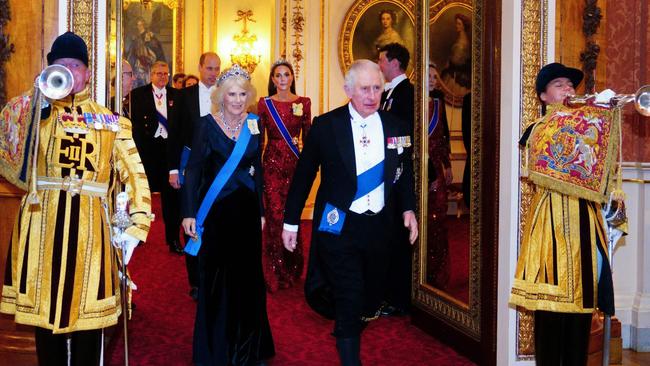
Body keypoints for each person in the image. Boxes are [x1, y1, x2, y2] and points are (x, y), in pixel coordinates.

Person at [0, 31, 152, 365]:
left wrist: (137, 225)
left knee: (89, 321)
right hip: (42, 226)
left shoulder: (111, 122)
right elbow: (7, 150)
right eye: (60, 65)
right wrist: (35, 99)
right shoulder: (34, 114)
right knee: (44, 317)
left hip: (90, 232)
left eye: (75, 65)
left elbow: (135, 174)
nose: (69, 71)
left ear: (87, 72)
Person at [282, 59, 418, 365]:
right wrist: (291, 222)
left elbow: (405, 172)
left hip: (380, 227)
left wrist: (409, 208)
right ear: (348, 90)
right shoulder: (326, 126)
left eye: (376, 88)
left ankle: (351, 324)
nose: (372, 95)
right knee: (349, 295)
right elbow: (304, 176)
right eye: (364, 89)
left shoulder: (397, 126)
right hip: (339, 225)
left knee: (370, 297)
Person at [509, 62, 616, 365]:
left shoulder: (590, 126)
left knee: (582, 311)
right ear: (543, 96)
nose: (568, 89)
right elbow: (560, 162)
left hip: (585, 223)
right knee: (552, 312)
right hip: (552, 228)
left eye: (571, 85)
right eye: (559, 84)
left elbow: (603, 176)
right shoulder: (537, 130)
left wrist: (604, 114)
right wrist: (597, 118)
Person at [181, 64, 275, 366]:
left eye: (242, 94)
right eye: (232, 94)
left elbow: (257, 169)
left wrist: (261, 211)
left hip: (246, 213)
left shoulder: (254, 123)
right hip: (217, 214)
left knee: (248, 279)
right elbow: (193, 170)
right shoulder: (206, 125)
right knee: (217, 280)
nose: (237, 99)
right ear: (221, 96)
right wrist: (189, 213)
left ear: (249, 96)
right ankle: (216, 349)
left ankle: (248, 348)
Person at [257, 60, 311, 292]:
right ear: (272, 80)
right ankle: (272, 270)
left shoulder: (303, 103)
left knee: (292, 214)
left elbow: (308, 138)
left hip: (294, 166)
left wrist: (310, 167)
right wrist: (254, 169)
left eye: (286, 75)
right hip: (271, 165)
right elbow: (259, 140)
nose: (281, 79)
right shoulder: (264, 104)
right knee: (275, 214)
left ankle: (291, 266)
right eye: (277, 75)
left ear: (292, 78)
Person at [170, 52, 221, 300]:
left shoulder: (226, 94)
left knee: (215, 222)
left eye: (217, 68)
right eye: (209, 68)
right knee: (190, 218)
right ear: (200, 68)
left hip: (219, 169)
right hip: (190, 166)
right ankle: (196, 281)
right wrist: (173, 169)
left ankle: (214, 275)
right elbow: (175, 135)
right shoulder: (184, 97)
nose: (213, 73)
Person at [377, 42, 415, 316]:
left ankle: (398, 298)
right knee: (386, 237)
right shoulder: (389, 92)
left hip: (398, 173)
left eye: (381, 60)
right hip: (384, 173)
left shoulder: (406, 93)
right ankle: (386, 292)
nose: (379, 65)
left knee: (399, 239)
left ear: (394, 63)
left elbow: (404, 136)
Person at [130, 61, 183, 254]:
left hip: (169, 151)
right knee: (142, 196)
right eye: (158, 73)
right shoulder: (138, 95)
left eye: (165, 74)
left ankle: (173, 239)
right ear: (151, 75)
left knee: (172, 200)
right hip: (147, 151)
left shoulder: (177, 96)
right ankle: (139, 234)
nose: (162, 77)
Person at [426, 62, 452, 287]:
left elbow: (443, 136)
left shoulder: (438, 103)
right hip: (419, 167)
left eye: (436, 76)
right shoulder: (413, 102)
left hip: (437, 165)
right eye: (430, 76)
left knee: (438, 214)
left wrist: (448, 164)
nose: (434, 80)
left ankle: (437, 268)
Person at [127, 17, 166, 88]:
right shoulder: (136, 37)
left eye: (141, 25)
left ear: (144, 25)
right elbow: (133, 50)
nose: (139, 27)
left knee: (148, 80)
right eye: (138, 25)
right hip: (139, 62)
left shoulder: (149, 35)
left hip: (148, 61)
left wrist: (149, 42)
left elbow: (155, 47)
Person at [440, 13, 471, 98]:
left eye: (459, 24)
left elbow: (457, 61)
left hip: (456, 73)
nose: (456, 25)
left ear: (464, 26)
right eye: (456, 23)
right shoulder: (461, 37)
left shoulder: (462, 42)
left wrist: (449, 63)